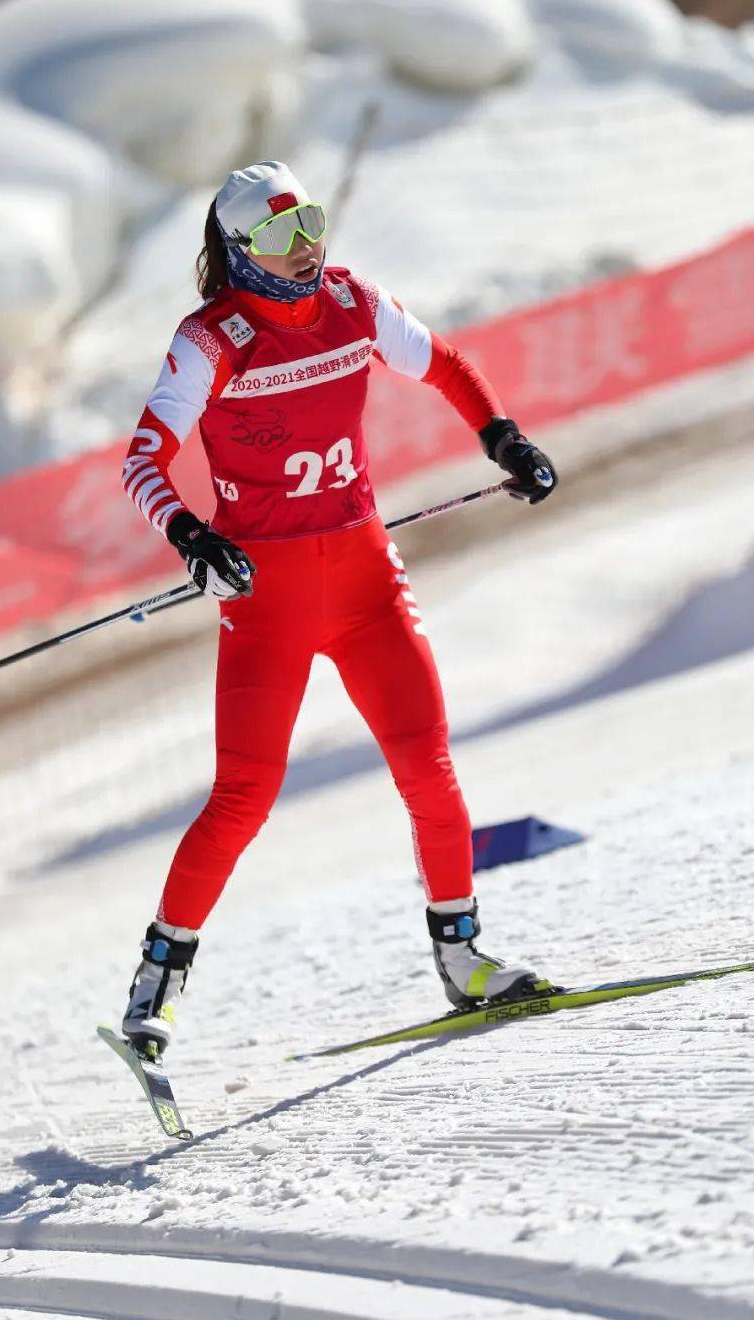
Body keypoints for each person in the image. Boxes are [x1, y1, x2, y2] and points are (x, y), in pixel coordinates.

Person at [120, 161, 558, 1058]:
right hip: (270, 599)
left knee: (427, 767)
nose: (307, 248)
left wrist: (503, 438)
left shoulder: (354, 306)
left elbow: (447, 364)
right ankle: (156, 986)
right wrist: (192, 536)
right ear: (241, 253)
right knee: (245, 796)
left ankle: (464, 959)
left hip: (364, 578)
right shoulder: (213, 339)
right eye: (283, 236)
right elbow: (143, 460)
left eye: (312, 224)